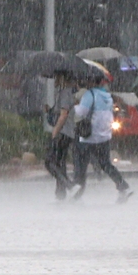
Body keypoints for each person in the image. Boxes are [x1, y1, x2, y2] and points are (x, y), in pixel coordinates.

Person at [72, 76, 133, 203]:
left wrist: (73, 107)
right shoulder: (107, 96)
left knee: (80, 164)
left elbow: (81, 112)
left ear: (92, 81)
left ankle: (76, 192)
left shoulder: (90, 94)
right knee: (106, 164)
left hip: (89, 136)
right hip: (104, 136)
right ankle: (123, 186)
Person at [44, 72, 77, 200]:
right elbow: (61, 112)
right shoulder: (65, 93)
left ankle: (69, 185)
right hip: (68, 133)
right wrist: (50, 111)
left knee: (49, 162)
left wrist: (55, 132)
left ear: (62, 78)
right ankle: (61, 192)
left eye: (57, 77)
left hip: (63, 132)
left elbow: (64, 115)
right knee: (59, 162)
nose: (55, 80)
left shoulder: (65, 93)